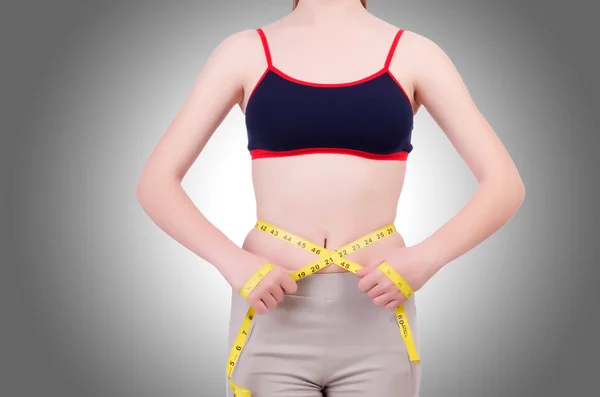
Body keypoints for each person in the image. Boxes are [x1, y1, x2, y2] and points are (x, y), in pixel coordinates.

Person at [135, 0, 525, 396]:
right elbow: (156, 183)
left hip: (377, 313)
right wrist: (233, 263)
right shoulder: (245, 52)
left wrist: (425, 259)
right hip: (271, 312)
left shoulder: (415, 54)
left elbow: (504, 184)